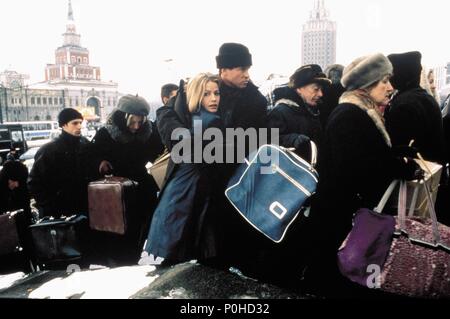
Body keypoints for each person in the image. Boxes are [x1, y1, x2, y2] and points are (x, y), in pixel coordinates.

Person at [306, 53, 424, 296]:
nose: (390, 87)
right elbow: (359, 165)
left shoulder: (360, 111)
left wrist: (399, 152)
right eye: (384, 81)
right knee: (336, 279)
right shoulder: (349, 115)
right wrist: (400, 166)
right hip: (338, 218)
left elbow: (369, 150)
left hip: (344, 214)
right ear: (367, 85)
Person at [144, 73, 223, 265]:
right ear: (196, 95)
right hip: (189, 193)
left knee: (176, 255)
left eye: (217, 93)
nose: (213, 98)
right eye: (206, 94)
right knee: (182, 257)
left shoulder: (195, 118)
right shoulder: (208, 122)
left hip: (182, 191)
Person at [90, 94, 164, 265]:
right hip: (115, 191)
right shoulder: (105, 133)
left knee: (141, 230)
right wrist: (100, 162)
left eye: (140, 122)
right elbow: (91, 155)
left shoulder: (150, 131)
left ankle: (133, 256)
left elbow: (158, 155)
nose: (137, 127)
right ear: (123, 118)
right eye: (132, 122)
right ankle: (120, 261)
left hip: (141, 187)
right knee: (118, 233)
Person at [28, 108, 90, 218]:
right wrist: (49, 207)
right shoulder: (49, 150)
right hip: (60, 213)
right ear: (63, 125)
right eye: (75, 123)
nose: (79, 126)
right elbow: (33, 182)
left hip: (84, 208)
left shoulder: (85, 144)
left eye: (80, 122)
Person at [385, 51, 445, 164]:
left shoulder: (404, 105)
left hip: (418, 173)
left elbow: (399, 151)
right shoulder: (426, 97)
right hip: (433, 169)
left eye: (391, 74)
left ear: (400, 74)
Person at [267, 64, 330, 161]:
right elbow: (269, 141)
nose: (320, 94)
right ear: (299, 89)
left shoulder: (316, 109)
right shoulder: (280, 112)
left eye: (321, 89)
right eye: (316, 89)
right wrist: (293, 139)